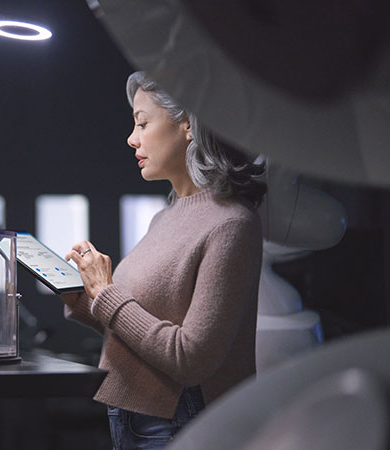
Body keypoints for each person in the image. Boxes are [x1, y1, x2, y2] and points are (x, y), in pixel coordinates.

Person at [62, 71, 266, 450]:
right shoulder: (166, 216)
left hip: (183, 422)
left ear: (188, 124)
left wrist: (105, 293)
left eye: (142, 123)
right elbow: (139, 326)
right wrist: (81, 295)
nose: (131, 138)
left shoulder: (231, 224)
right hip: (135, 417)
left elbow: (190, 359)